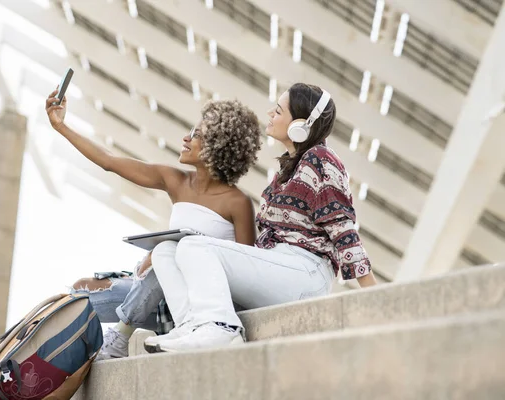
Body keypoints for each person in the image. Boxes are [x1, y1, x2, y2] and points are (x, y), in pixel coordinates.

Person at [145, 83, 378, 353]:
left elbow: (343, 231)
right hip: (281, 266)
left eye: (278, 110)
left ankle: (221, 328)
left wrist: (372, 293)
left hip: (306, 273)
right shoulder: (287, 170)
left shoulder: (321, 159)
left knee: (192, 246)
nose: (270, 113)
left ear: (300, 124)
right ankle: (193, 326)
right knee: (165, 250)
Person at [44, 88, 262, 359]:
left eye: (196, 135)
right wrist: (61, 126)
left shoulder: (238, 203)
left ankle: (118, 340)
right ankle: (57, 368)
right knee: (77, 294)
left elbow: (246, 270)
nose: (185, 138)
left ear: (218, 147)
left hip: (196, 303)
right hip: (153, 293)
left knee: (166, 251)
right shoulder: (176, 181)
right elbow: (110, 162)